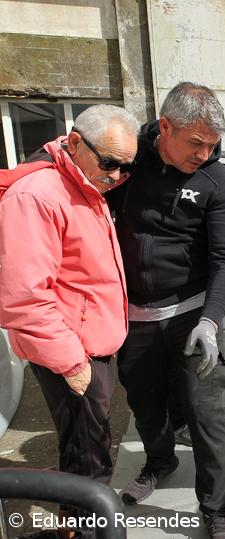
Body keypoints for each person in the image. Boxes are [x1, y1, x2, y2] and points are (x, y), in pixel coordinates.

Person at [109, 82, 225, 539]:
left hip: (191, 316)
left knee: (205, 416)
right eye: (196, 143)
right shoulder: (129, 160)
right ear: (165, 127)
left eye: (213, 144)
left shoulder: (216, 182)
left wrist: (211, 319)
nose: (205, 153)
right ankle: (159, 461)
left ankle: (216, 508)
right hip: (134, 317)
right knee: (145, 405)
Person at [0, 105, 138, 538]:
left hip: (88, 347)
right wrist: (72, 362)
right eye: (110, 163)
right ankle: (86, 531)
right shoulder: (38, 195)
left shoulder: (82, 181)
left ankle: (82, 526)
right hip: (72, 355)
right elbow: (23, 298)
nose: (117, 175)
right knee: (86, 458)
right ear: (75, 142)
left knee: (90, 447)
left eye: (126, 167)